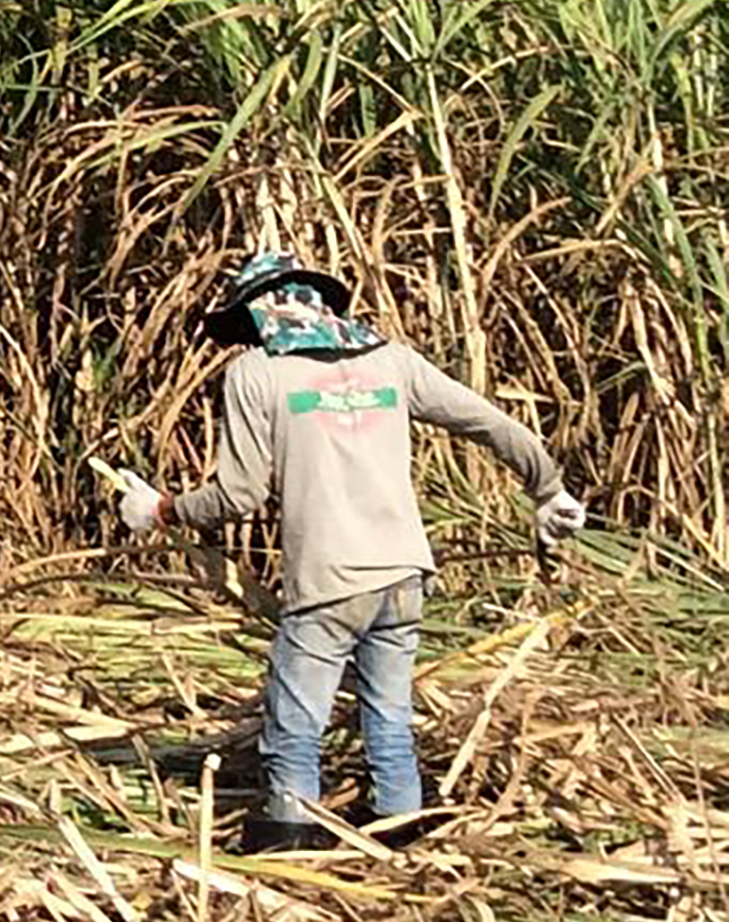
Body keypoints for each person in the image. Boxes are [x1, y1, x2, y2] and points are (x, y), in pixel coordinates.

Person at [118, 250, 586, 850]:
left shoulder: (257, 374)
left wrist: (160, 511)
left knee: (294, 723)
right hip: (404, 575)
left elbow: (238, 494)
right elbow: (489, 421)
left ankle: (289, 834)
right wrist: (547, 489)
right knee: (388, 716)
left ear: (257, 317)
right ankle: (398, 828)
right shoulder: (392, 363)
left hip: (330, 580)